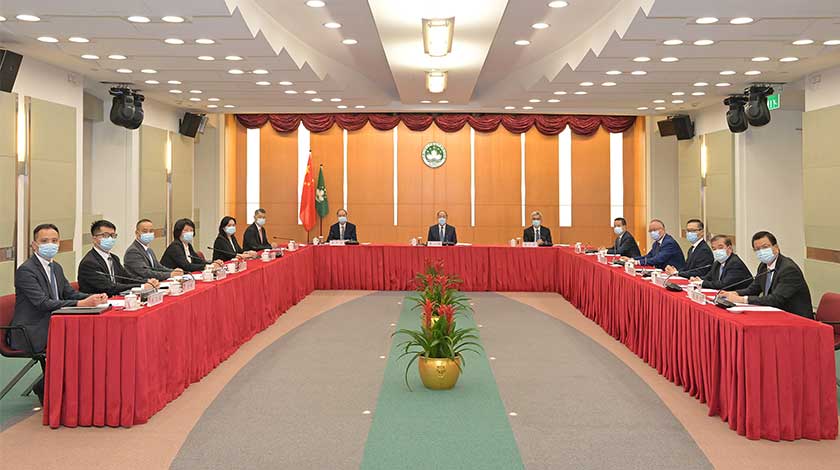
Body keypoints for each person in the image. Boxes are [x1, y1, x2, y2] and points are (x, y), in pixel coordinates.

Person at [10, 224, 107, 404]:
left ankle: (61, 387)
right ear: (34, 245)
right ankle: (47, 386)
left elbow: (69, 293)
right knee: (79, 341)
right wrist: (80, 304)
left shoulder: (56, 267)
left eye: (54, 241)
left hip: (54, 322)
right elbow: (43, 303)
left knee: (92, 336)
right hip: (32, 330)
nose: (50, 245)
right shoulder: (26, 270)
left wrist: (93, 298)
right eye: (44, 241)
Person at [721, 231, 814, 319]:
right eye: (757, 249)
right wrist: (734, 293)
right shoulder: (763, 266)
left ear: (776, 247)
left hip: (795, 318)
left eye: (765, 247)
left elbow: (776, 300)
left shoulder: (788, 269)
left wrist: (742, 299)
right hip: (775, 314)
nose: (761, 251)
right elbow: (753, 289)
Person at [78, 220, 159, 296]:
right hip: (98, 302)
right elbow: (109, 287)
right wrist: (142, 286)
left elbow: (127, 278)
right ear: (94, 239)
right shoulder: (89, 263)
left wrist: (147, 282)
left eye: (113, 235)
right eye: (106, 235)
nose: (110, 239)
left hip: (116, 299)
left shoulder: (114, 258)